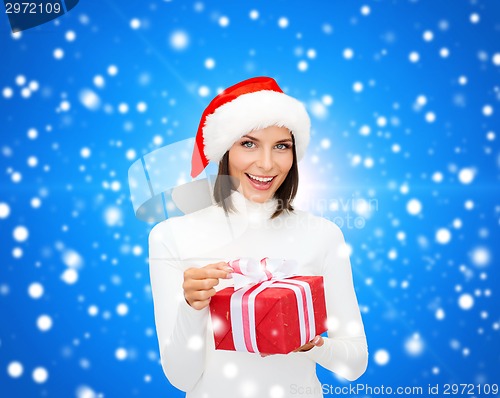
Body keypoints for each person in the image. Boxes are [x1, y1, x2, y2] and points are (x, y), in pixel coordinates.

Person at [148, 77, 368, 398]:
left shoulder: (323, 235)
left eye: (281, 146)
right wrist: (192, 307)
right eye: (248, 143)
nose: (266, 163)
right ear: (225, 150)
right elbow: (181, 378)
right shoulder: (172, 236)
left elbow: (355, 363)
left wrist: (311, 345)